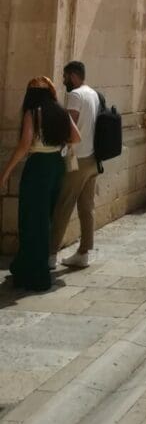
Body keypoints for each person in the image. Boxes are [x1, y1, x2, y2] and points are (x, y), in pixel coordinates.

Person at [0, 78, 79, 292]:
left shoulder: (33, 113)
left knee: (31, 220)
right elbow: (76, 137)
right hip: (56, 166)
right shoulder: (60, 111)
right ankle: (30, 267)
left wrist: (5, 173)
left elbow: (24, 146)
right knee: (45, 219)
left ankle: (33, 273)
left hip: (38, 168)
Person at [50, 61, 102, 269]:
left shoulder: (75, 96)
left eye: (64, 77)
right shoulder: (93, 94)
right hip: (92, 159)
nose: (63, 81)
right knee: (86, 207)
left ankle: (50, 254)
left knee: (63, 204)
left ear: (72, 75)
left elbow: (69, 127)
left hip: (77, 159)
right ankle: (84, 253)